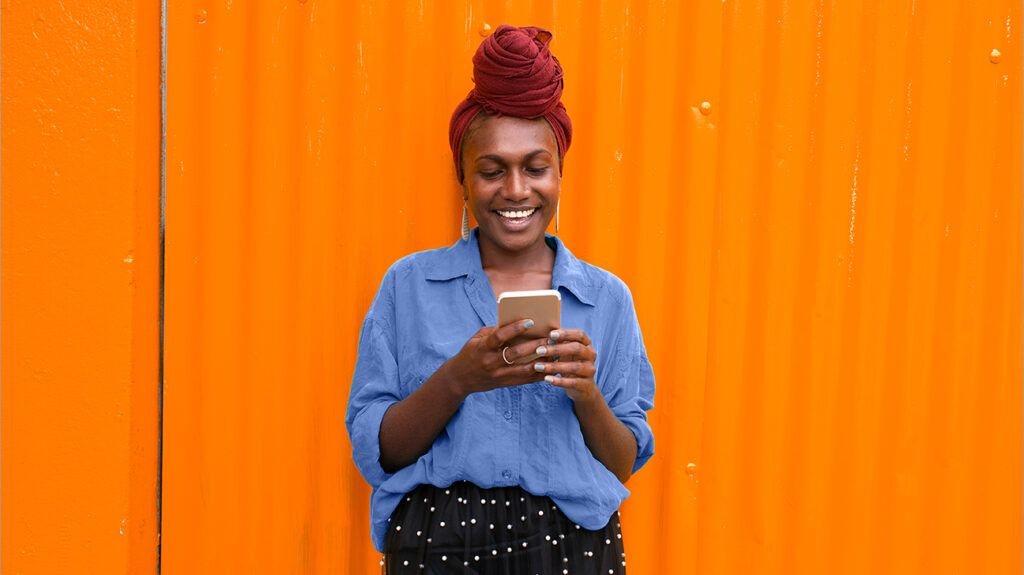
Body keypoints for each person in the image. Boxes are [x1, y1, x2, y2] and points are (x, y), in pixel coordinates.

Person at [346, 24, 655, 574]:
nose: (516, 190)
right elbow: (381, 451)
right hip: (437, 542)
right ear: (462, 179)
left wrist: (586, 394)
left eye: (536, 168)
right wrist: (459, 378)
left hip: (571, 545)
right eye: (491, 171)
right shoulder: (408, 286)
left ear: (560, 174)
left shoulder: (606, 298)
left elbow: (623, 462)